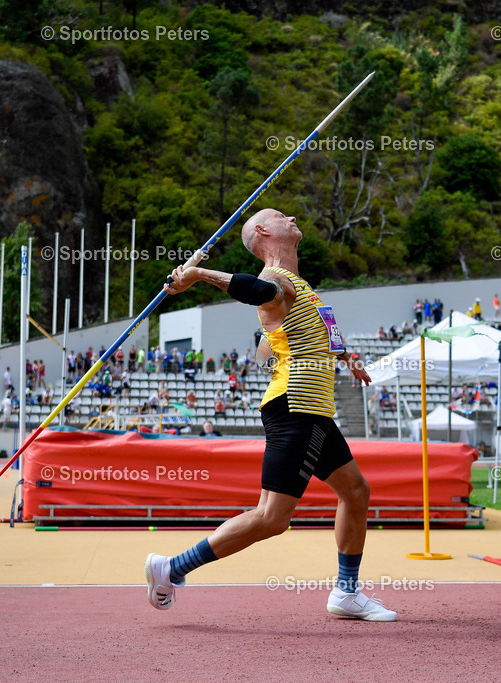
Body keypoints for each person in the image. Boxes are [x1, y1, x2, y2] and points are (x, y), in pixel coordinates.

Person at [149, 207, 395, 621]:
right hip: (296, 407)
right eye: (281, 215)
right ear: (263, 231)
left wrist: (345, 355)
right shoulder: (272, 277)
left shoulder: (302, 285)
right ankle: (171, 568)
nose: (294, 217)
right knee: (271, 518)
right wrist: (200, 276)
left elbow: (306, 330)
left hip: (313, 407)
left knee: (356, 491)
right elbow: (259, 293)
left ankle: (347, 593)